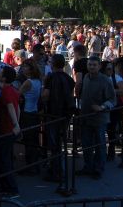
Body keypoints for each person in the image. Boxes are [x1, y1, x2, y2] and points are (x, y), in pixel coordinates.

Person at [76, 56, 115, 180]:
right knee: (87, 144)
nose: (91, 67)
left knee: (100, 145)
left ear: (99, 66)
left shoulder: (105, 80)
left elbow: (112, 100)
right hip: (86, 116)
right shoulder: (86, 77)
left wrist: (102, 107)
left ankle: (98, 168)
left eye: (94, 65)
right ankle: (88, 166)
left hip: (100, 118)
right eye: (90, 65)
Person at [41, 53, 76, 183]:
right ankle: (58, 170)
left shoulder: (51, 78)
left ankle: (57, 172)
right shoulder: (68, 78)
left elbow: (45, 96)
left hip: (54, 113)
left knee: (54, 145)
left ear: (53, 64)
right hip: (65, 114)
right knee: (59, 143)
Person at [0, 66, 20, 198]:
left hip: (7, 129)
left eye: (0, 73)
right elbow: (18, 107)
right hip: (9, 128)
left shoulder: (6, 91)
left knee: (4, 160)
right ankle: (5, 185)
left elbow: (10, 106)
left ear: (4, 77)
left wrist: (15, 124)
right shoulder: (13, 90)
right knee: (5, 158)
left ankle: (12, 188)